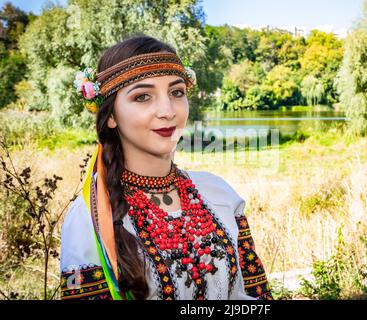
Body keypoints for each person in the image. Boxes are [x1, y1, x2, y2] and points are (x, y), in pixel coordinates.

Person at [59, 35, 273, 300]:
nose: (167, 110)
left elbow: (257, 296)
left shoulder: (219, 194)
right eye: (142, 97)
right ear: (111, 115)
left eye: (176, 92)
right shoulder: (88, 219)